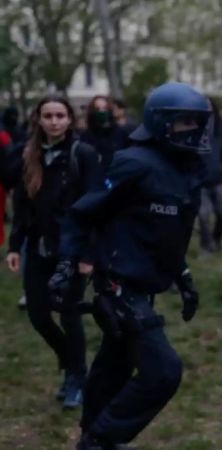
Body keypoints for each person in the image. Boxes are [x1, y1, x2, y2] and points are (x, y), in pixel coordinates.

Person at [50, 82, 208, 450]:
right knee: (163, 372)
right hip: (119, 288)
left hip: (145, 287)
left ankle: (92, 433)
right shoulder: (134, 163)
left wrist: (182, 275)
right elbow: (82, 214)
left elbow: (165, 233)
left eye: (197, 122)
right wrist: (66, 265)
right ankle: (101, 439)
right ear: (161, 123)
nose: (194, 130)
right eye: (185, 122)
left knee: (112, 367)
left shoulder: (186, 169)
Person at [5, 96, 102, 409]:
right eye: (48, 116)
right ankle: (70, 361)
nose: (54, 121)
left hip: (71, 250)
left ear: (70, 119)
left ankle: (77, 377)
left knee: (69, 314)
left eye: (60, 115)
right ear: (39, 119)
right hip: (38, 247)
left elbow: (95, 206)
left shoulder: (82, 154)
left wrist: (89, 255)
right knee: (38, 315)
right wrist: (14, 245)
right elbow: (21, 205)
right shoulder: (28, 155)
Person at [198, 98, 222, 254]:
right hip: (201, 181)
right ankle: (206, 245)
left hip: (219, 179)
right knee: (203, 215)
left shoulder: (221, 130)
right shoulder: (194, 129)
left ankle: (217, 239)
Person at [80, 96, 129, 170]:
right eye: (97, 109)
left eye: (105, 108)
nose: (101, 111)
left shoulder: (121, 133)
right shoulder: (85, 136)